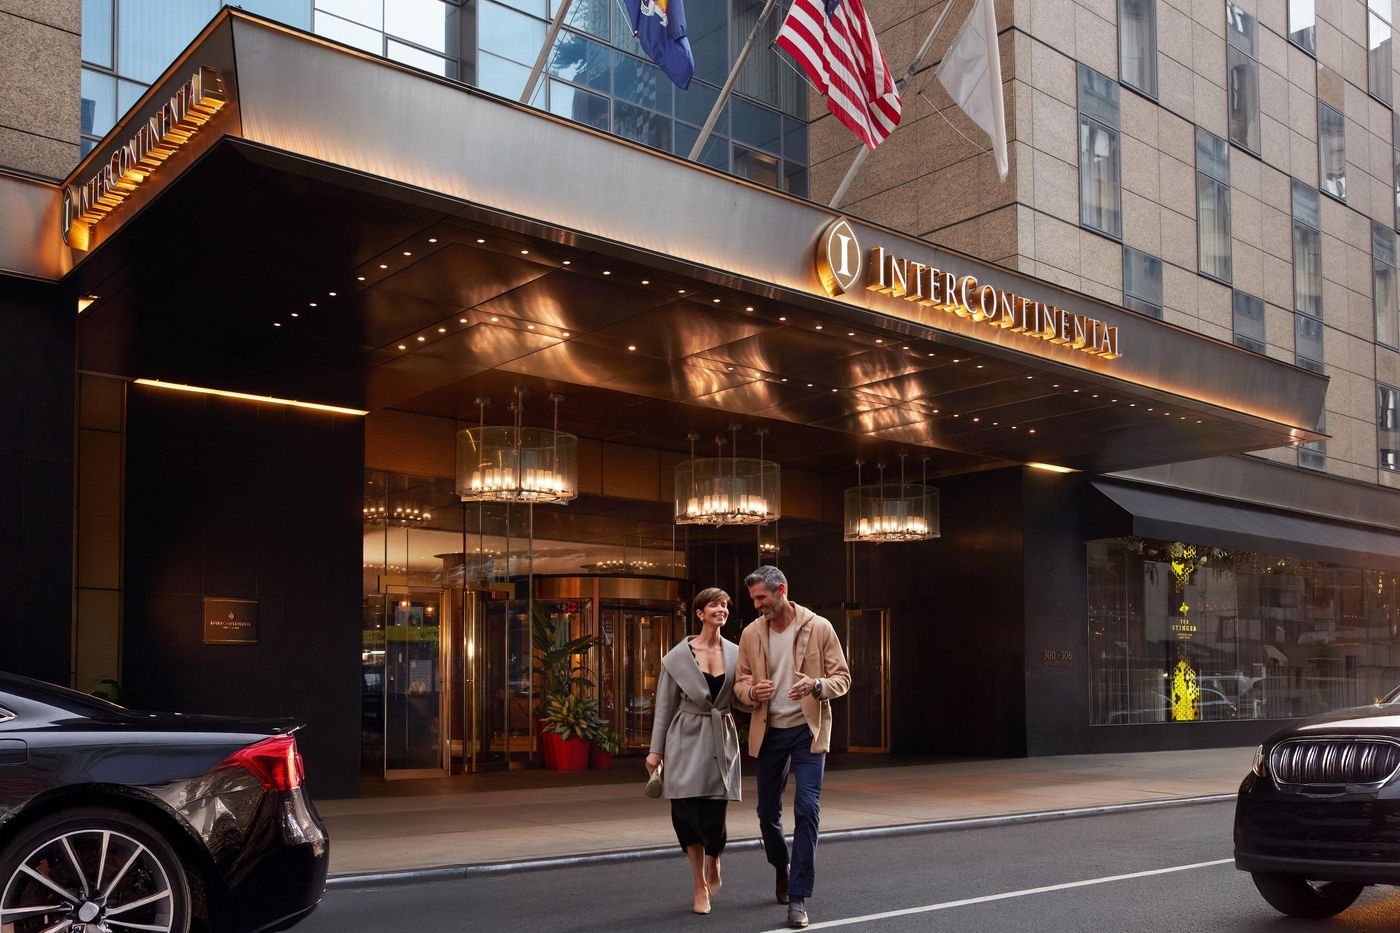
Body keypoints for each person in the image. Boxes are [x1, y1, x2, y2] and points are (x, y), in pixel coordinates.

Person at [734, 565, 851, 930]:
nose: (757, 605)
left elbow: (842, 678)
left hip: (807, 731)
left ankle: (798, 897)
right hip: (770, 731)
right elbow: (739, 684)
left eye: (761, 598)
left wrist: (816, 685)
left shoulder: (819, 627)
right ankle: (780, 868)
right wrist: (752, 692)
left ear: (781, 590)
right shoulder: (751, 634)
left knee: (807, 809)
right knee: (766, 813)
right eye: (754, 599)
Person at [647, 587, 744, 916]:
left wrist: (756, 694)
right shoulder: (677, 657)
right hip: (685, 739)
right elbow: (664, 707)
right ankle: (699, 885)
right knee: (686, 816)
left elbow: (742, 698)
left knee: (714, 817)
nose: (721, 609)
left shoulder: (737, 653)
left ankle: (714, 859)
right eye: (714, 605)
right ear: (700, 613)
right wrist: (655, 751)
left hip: (720, 738)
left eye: (725, 605)